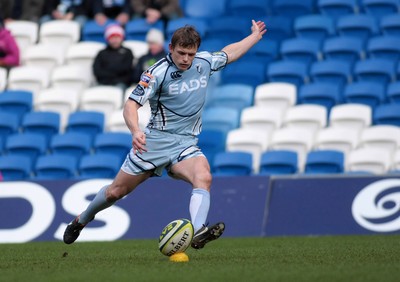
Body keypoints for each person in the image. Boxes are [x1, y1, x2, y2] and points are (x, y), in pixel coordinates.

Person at [64, 19, 267, 248]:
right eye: (181, 53)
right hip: (154, 143)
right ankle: (81, 220)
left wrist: (254, 37)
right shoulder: (156, 73)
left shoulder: (203, 62)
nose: (186, 59)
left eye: (191, 54)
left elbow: (228, 54)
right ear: (171, 48)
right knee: (114, 192)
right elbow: (131, 105)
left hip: (185, 143)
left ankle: (199, 231)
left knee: (204, 176)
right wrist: (135, 131)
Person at [93, 24, 134, 92]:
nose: (115, 40)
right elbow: (97, 70)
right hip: (103, 82)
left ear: (121, 38)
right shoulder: (102, 53)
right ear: (108, 39)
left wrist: (109, 70)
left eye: (117, 37)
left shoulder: (127, 52)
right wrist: (115, 72)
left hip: (121, 83)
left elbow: (127, 69)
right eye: (112, 37)